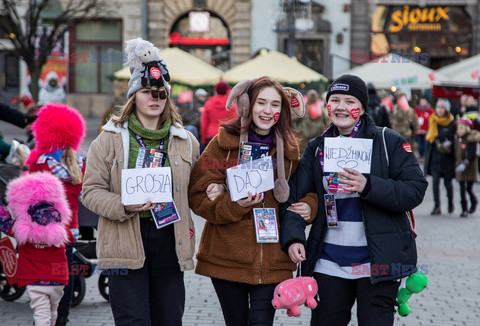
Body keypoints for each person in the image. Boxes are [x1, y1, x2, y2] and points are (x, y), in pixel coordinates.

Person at [280, 74, 427, 326]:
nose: (341, 107)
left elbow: (414, 190)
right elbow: (294, 197)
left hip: (377, 264)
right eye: (334, 100)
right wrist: (294, 237)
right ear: (327, 106)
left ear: (361, 107)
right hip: (329, 263)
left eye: (350, 101)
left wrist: (368, 186)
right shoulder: (317, 147)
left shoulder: (388, 141)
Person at [82, 37, 199, 326]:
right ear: (135, 96)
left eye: (161, 93)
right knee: (133, 321)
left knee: (169, 320)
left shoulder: (187, 142)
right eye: (148, 92)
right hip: (123, 239)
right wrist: (123, 203)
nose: (155, 99)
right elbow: (90, 192)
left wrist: (215, 188)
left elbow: (197, 190)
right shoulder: (107, 140)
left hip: (169, 237)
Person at [188, 76, 318, 326]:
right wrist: (233, 203)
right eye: (261, 103)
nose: (268, 111)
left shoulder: (290, 150)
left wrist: (309, 207)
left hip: (273, 260)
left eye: (275, 105)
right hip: (227, 257)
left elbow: (306, 190)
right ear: (247, 105)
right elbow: (198, 194)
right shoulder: (223, 144)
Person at [25, 103, 86, 326]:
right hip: (69, 232)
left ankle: (44, 317)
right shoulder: (79, 165)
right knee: (66, 275)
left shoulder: (40, 164)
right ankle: (62, 318)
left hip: (43, 233)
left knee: (44, 278)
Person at [0, 172, 72, 326]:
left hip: (35, 278)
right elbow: (71, 239)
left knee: (41, 313)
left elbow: (4, 223)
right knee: (53, 311)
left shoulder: (22, 230)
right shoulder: (62, 228)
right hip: (58, 277)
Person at [424, 99, 456, 215]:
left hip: (447, 159)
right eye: (438, 107)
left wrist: (450, 144)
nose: (439, 110)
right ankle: (437, 206)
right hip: (435, 159)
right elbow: (429, 140)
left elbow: (455, 139)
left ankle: (450, 203)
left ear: (446, 109)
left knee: (448, 183)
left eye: (442, 108)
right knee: (435, 183)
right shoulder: (433, 120)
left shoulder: (452, 122)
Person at [453, 117, 478, 217]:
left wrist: (465, 163)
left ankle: (474, 201)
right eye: (458, 128)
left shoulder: (471, 139)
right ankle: (464, 209)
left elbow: (472, 154)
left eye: (461, 128)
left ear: (466, 129)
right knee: (462, 189)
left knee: (469, 189)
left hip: (469, 168)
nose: (459, 130)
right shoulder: (457, 139)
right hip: (460, 167)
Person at [200, 80, 237, 147]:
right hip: (227, 135)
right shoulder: (232, 106)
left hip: (211, 135)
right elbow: (236, 123)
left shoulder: (208, 104)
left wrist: (203, 139)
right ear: (226, 90)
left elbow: (204, 123)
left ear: (216, 90)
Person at [293, 89, 330, 154]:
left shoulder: (303, 108)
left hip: (304, 138)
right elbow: (327, 122)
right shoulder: (320, 108)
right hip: (318, 136)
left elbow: (294, 119)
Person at [414, 98, 434, 162]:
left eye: (424, 102)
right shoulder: (416, 110)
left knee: (426, 145)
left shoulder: (430, 111)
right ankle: (421, 156)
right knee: (420, 145)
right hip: (418, 131)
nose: (423, 103)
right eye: (422, 102)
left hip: (427, 132)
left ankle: (426, 157)